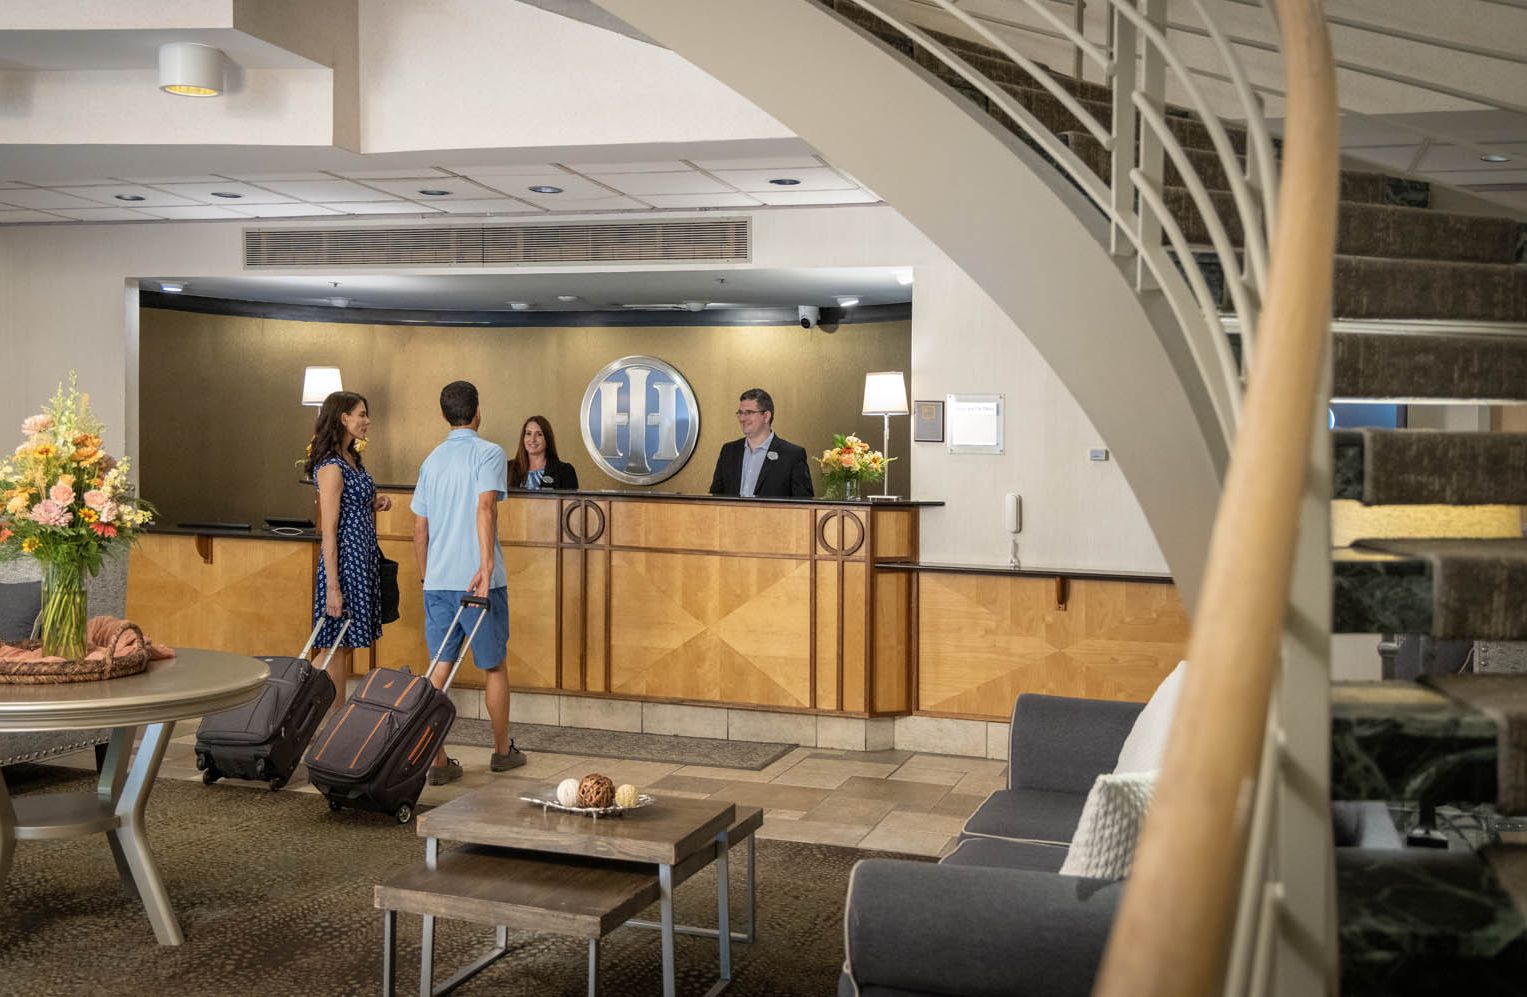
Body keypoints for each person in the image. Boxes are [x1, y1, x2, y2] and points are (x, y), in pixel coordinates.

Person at [411, 380, 526, 784]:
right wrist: (485, 566)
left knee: (439, 668)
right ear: (477, 411)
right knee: (493, 666)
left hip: (438, 581)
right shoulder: (489, 453)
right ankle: (500, 751)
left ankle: (437, 760)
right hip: (480, 581)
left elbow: (419, 529)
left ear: (446, 414)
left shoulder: (431, 461)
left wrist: (427, 574)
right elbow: (486, 506)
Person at [307, 391, 391, 709]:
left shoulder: (351, 459)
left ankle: (332, 720)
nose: (367, 421)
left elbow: (352, 503)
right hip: (343, 564)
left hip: (362, 560)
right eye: (362, 414)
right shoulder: (331, 467)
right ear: (344, 418)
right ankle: (314, 711)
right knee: (335, 645)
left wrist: (374, 502)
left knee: (344, 645)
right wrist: (332, 586)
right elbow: (328, 532)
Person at [709, 387, 813, 498]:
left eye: (749, 413)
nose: (742, 419)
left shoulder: (792, 455)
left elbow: (804, 505)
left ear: (766, 416)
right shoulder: (728, 451)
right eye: (740, 413)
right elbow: (715, 497)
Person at [508, 415, 580, 490]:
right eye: (528, 433)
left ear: (547, 439)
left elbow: (571, 501)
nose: (532, 439)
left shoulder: (565, 471)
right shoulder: (508, 468)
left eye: (539, 434)